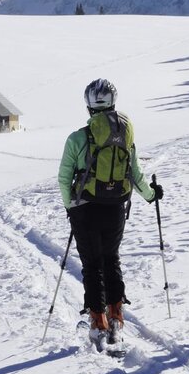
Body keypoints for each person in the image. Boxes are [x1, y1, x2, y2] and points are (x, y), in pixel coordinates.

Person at [59, 78, 163, 348]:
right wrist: (152, 195)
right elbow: (136, 173)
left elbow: (63, 178)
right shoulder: (126, 134)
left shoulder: (78, 138)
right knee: (111, 259)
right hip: (116, 206)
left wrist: (71, 206)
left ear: (88, 105)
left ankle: (97, 322)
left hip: (86, 208)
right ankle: (116, 315)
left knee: (92, 266)